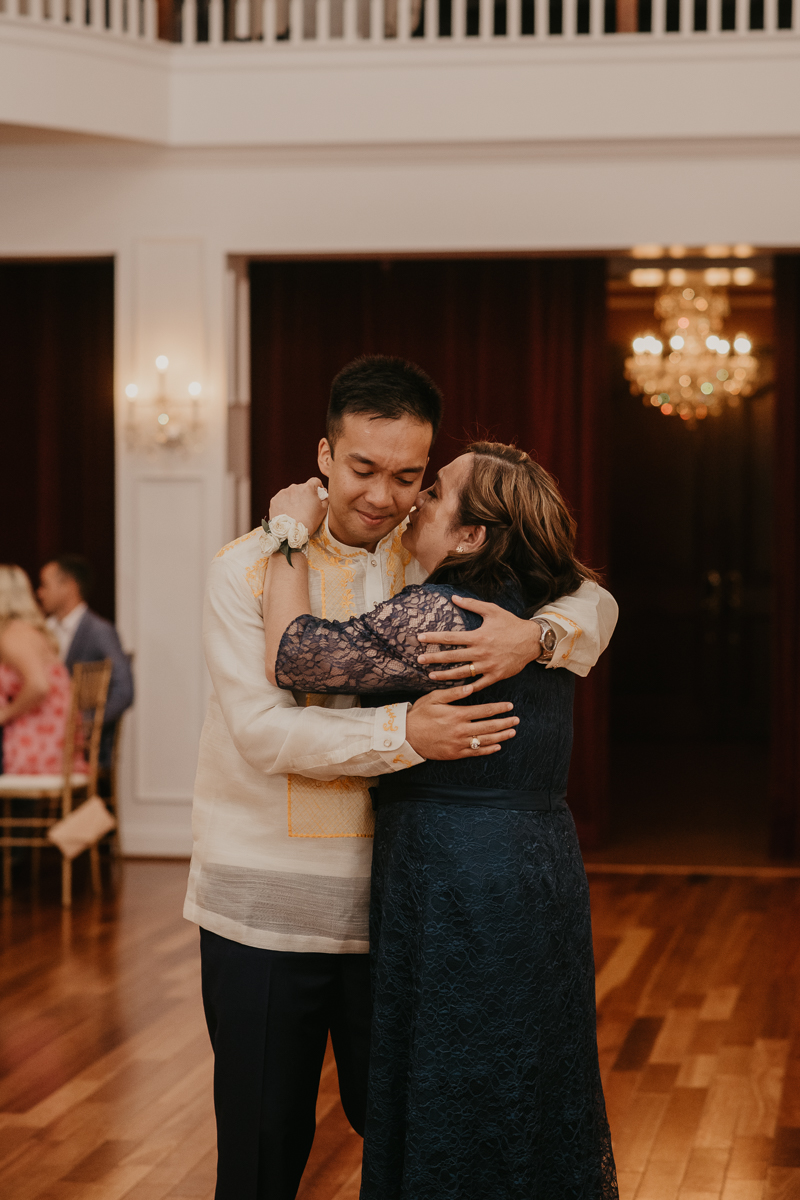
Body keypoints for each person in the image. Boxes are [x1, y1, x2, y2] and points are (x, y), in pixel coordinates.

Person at [185, 355, 617, 1200]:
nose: (384, 497)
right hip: (266, 906)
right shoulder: (242, 568)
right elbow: (266, 731)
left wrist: (540, 639)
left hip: (399, 907)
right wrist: (408, 732)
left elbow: (587, 597)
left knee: (414, 1129)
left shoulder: (421, 562)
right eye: (363, 470)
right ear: (323, 456)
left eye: (409, 477)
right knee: (263, 1145)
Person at [37, 554, 134, 768]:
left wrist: (84, 723)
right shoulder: (41, 631)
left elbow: (124, 690)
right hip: (46, 734)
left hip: (82, 745)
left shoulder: (99, 631)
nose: (39, 593)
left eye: (45, 585)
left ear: (69, 586)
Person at [0, 565, 83, 776]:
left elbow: (38, 685)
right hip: (57, 737)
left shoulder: (12, 636)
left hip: (40, 741)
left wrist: (5, 715)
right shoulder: (28, 632)